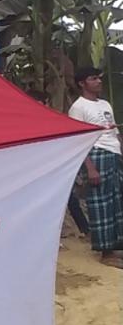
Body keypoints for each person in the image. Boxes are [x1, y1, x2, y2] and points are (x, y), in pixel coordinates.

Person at [66, 67, 123, 268]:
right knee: (101, 203)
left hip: (113, 153)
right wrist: (90, 168)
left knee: (117, 201)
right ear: (82, 83)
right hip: (96, 153)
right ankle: (106, 252)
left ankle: (117, 245)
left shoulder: (105, 104)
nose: (98, 81)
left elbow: (115, 132)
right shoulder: (78, 107)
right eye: (93, 78)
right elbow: (78, 140)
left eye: (99, 78)